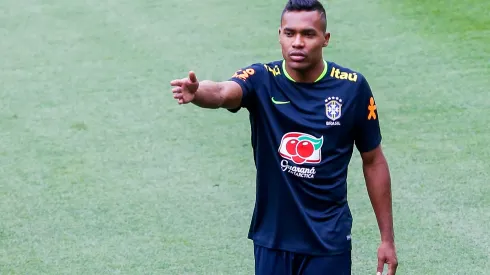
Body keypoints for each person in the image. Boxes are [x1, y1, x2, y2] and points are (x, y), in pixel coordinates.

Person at [170, 0, 398, 274]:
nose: (297, 42)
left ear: (325, 39)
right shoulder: (262, 79)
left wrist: (387, 239)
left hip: (328, 241)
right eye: (290, 33)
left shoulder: (352, 88)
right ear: (279, 35)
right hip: (273, 239)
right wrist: (197, 93)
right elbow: (221, 92)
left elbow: (373, 160)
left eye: (308, 34)